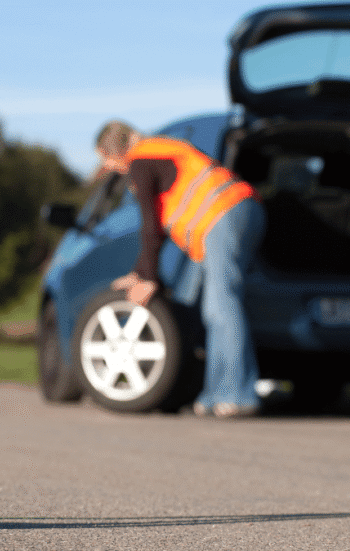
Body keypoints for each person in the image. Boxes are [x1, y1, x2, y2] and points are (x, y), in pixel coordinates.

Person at [94, 120, 266, 419]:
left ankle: (238, 394)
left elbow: (150, 226)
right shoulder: (157, 151)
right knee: (200, 303)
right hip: (236, 212)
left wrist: (148, 278)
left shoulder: (140, 159)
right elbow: (158, 227)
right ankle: (215, 395)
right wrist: (140, 273)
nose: (109, 168)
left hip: (223, 212)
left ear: (112, 151)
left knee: (220, 304)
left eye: (105, 160)